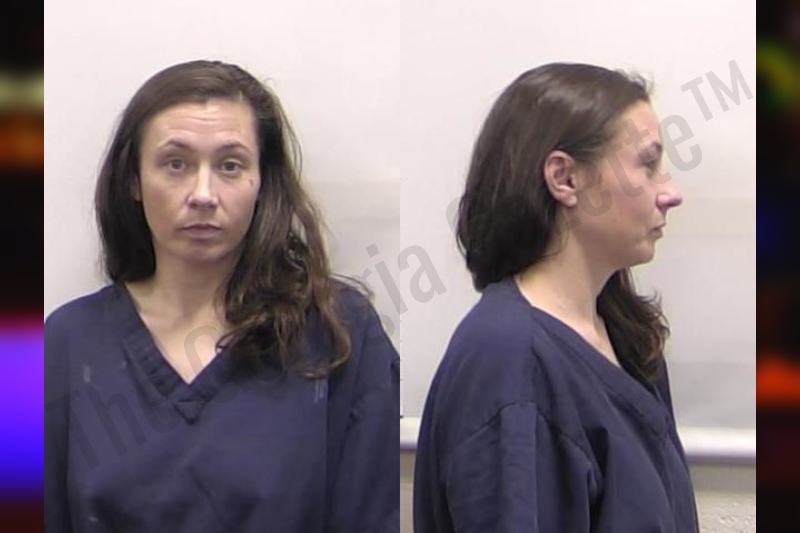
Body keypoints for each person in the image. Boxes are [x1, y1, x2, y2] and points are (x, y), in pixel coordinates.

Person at [44, 60, 399, 533]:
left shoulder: (339, 333)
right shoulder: (65, 343)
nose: (203, 194)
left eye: (230, 166)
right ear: (133, 181)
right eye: (176, 164)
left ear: (262, 181)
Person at [414, 63, 698, 532]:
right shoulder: (511, 364)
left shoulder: (623, 334)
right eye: (647, 165)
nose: (670, 192)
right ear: (564, 179)